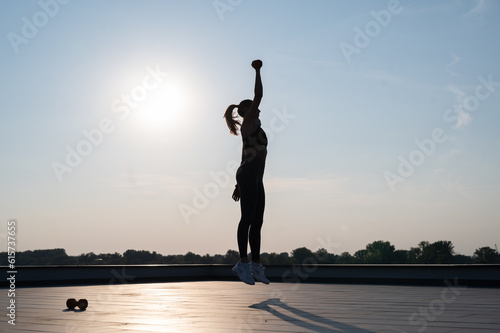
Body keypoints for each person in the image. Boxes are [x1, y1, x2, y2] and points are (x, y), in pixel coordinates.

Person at [223, 59, 270, 285]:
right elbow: (259, 95)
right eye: (252, 106)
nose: (257, 107)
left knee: (258, 220)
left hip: (253, 175)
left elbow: (243, 156)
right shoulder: (249, 120)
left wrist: (237, 186)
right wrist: (258, 71)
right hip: (249, 173)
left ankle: (256, 265)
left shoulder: (252, 129)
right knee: (247, 219)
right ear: (245, 111)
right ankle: (242, 263)